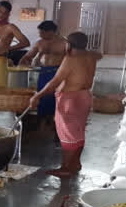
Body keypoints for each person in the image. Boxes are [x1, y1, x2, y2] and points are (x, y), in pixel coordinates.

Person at [30, 31, 102, 177]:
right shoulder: (92, 56)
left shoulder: (71, 59)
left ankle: (66, 167)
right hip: (85, 96)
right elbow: (99, 54)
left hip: (70, 99)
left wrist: (38, 95)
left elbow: (54, 82)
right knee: (78, 132)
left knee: (67, 134)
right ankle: (75, 164)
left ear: (68, 45)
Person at [19, 20, 67, 133]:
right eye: (39, 32)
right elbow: (28, 56)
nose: (40, 35)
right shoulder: (39, 43)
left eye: (42, 32)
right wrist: (22, 61)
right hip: (43, 72)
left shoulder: (64, 43)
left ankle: (56, 125)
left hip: (58, 72)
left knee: (57, 99)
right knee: (42, 98)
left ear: (51, 32)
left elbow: (71, 60)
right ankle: (41, 123)